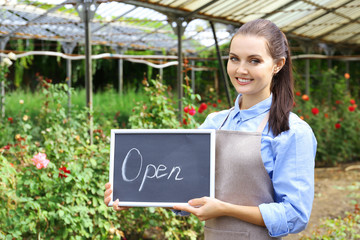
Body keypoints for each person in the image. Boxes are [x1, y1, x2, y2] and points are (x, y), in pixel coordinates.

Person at [104, 19, 317, 239]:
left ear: (278, 64)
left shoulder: (292, 132)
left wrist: (225, 209)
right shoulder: (214, 123)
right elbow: (185, 188)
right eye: (234, 59)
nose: (241, 69)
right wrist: (134, 196)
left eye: (254, 61)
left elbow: (295, 214)